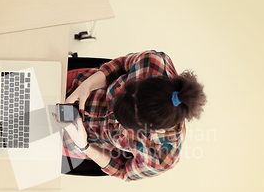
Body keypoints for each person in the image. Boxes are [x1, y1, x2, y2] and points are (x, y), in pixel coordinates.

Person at [56, 50, 207, 181]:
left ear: (156, 130)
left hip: (69, 140)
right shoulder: (153, 63)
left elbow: (123, 170)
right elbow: (122, 64)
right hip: (73, 85)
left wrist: (84, 146)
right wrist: (87, 86)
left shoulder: (164, 156)